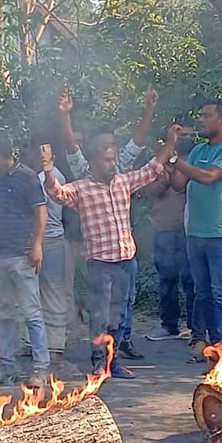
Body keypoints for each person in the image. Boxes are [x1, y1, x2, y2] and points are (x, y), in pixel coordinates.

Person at [44, 126, 178, 378]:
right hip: (100, 264)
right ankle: (99, 361)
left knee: (120, 313)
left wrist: (170, 141)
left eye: (112, 159)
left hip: (125, 260)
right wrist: (49, 170)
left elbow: (152, 169)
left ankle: (112, 361)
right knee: (100, 315)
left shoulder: (123, 182)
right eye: (106, 160)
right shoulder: (82, 188)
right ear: (93, 161)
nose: (111, 164)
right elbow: (56, 193)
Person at [58, 88, 158, 362]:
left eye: (111, 145)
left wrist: (149, 109)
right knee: (102, 307)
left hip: (124, 250)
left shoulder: (120, 168)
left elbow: (137, 143)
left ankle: (121, 343)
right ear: (92, 152)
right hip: (100, 252)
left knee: (125, 301)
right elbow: (70, 146)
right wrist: (65, 115)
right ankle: (100, 355)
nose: (109, 152)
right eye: (103, 147)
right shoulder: (83, 171)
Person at [169, 100, 222, 347]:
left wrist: (174, 162)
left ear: (221, 120)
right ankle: (215, 345)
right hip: (195, 233)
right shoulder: (198, 151)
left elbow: (209, 177)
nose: (201, 120)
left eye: (207, 116)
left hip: (221, 233)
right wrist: (170, 160)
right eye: (200, 115)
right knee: (202, 293)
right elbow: (179, 185)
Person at [0, 130, 49, 387]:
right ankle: (8, 366)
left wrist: (37, 245)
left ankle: (40, 368)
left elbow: (41, 212)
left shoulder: (27, 177)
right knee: (3, 313)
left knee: (31, 313)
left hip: (22, 255)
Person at [20, 138, 82, 378]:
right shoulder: (35, 175)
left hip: (51, 241)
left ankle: (55, 347)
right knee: (36, 294)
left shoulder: (51, 176)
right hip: (42, 241)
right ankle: (36, 342)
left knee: (53, 294)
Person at [144, 121, 198, 342]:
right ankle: (169, 326)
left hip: (189, 230)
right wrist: (164, 178)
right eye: (180, 134)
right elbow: (148, 190)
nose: (185, 138)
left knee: (190, 280)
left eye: (188, 135)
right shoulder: (157, 163)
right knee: (166, 279)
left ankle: (196, 328)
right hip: (163, 229)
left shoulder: (196, 162)